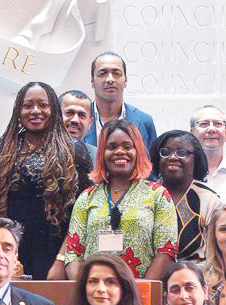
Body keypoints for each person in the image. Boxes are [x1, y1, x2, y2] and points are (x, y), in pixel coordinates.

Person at [0, 82, 90, 279]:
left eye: (43, 105)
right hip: (10, 252)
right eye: (28, 105)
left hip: (54, 252)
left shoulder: (73, 150)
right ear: (18, 111)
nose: (35, 111)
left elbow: (81, 214)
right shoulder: (3, 148)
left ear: (54, 110)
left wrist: (61, 260)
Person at [58, 120, 176, 280]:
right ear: (102, 153)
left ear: (138, 151)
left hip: (141, 291)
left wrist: (141, 291)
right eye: (112, 147)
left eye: (127, 146)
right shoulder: (87, 197)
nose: (120, 151)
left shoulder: (158, 195)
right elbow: (73, 253)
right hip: (96, 291)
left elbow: (166, 251)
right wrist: (86, 287)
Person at [151, 130, 220, 263]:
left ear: (196, 159)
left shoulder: (209, 200)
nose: (172, 157)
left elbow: (217, 254)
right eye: (165, 152)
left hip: (196, 274)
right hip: (149, 274)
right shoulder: (145, 194)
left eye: (181, 153)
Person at [83, 53, 158, 152]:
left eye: (116, 73)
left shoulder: (144, 120)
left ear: (125, 80)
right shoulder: (79, 119)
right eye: (102, 73)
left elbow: (151, 160)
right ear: (92, 81)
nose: (110, 79)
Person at [57, 90, 96, 155]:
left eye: (82, 115)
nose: (75, 120)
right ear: (56, 116)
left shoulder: (98, 157)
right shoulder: (41, 153)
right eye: (69, 113)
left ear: (90, 123)